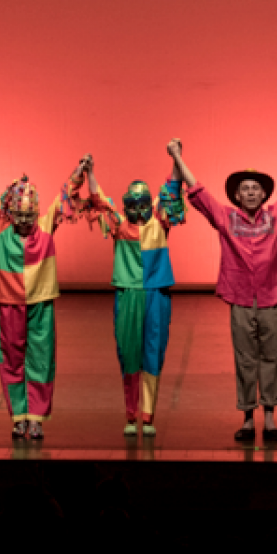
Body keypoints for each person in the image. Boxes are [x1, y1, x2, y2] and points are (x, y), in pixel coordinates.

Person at [182, 134, 277, 442]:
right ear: (237, 195)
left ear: (262, 193)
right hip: (242, 300)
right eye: (245, 189)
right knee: (245, 358)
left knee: (271, 356)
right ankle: (247, 418)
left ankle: (269, 419)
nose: (251, 192)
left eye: (255, 188)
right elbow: (200, 194)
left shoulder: (275, 216)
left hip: (271, 298)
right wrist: (178, 160)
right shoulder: (227, 218)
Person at [0, 156, 87, 439]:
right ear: (11, 212)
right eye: (19, 216)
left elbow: (65, 196)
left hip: (40, 305)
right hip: (8, 305)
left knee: (41, 360)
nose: (24, 222)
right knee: (11, 360)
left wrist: (79, 172)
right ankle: (18, 416)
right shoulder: (1, 226)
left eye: (29, 216)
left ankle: (36, 417)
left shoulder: (44, 227)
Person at [82, 143, 187, 437]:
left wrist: (177, 155)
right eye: (133, 204)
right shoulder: (119, 225)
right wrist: (90, 172)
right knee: (129, 353)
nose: (138, 210)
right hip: (127, 293)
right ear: (127, 204)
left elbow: (173, 187)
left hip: (157, 293)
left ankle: (148, 415)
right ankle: (131, 414)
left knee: (153, 352)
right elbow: (99, 200)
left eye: (143, 203)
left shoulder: (160, 221)